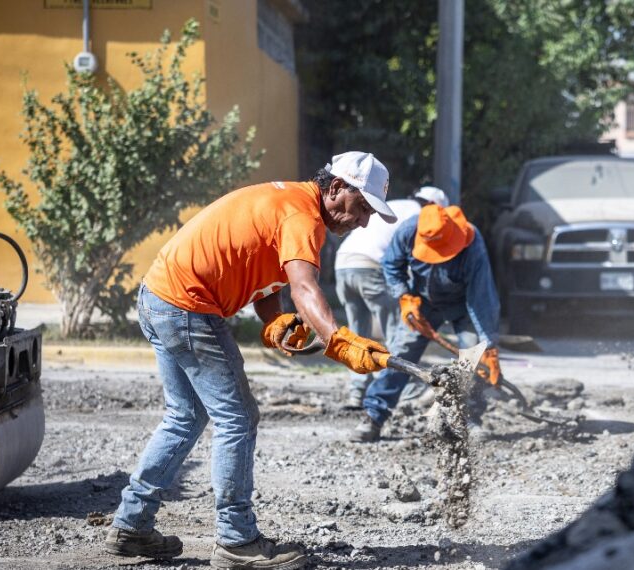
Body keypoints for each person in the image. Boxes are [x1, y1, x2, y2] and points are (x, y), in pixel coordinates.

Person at [104, 152, 394, 569]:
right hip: (188, 305)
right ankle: (236, 541)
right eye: (362, 207)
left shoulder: (291, 203)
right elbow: (304, 286)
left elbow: (263, 271)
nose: (363, 221)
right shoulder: (303, 217)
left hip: (160, 296)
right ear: (335, 189)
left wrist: (274, 318)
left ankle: (131, 525)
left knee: (185, 416)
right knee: (237, 418)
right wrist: (339, 340)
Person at [351, 204, 502, 442]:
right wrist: (405, 298)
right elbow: (392, 265)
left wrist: (489, 345)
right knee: (401, 353)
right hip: (423, 302)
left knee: (473, 357)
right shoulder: (408, 231)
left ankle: (469, 419)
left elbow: (481, 296)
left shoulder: (472, 243)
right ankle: (373, 414)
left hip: (463, 304)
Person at [333, 186, 449, 408]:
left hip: (343, 265)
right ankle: (409, 391)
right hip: (371, 267)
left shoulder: (397, 205)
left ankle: (357, 391)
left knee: (358, 334)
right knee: (397, 331)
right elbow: (409, 260)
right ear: (434, 206)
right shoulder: (420, 217)